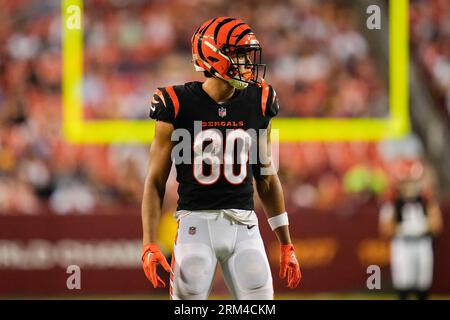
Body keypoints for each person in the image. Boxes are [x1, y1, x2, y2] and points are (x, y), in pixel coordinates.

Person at [140, 17, 301, 300]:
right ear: (215, 56)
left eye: (248, 54)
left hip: (244, 225)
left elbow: (266, 175)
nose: (248, 63)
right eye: (240, 54)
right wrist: (149, 242)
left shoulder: (260, 99)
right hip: (194, 226)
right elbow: (155, 181)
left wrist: (286, 243)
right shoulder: (176, 103)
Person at [379, 158, 443, 300]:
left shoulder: (427, 202)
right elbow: (386, 229)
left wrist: (422, 227)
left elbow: (436, 226)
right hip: (403, 245)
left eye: (412, 181)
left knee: (423, 282)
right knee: (403, 282)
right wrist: (404, 228)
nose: (410, 187)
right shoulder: (392, 204)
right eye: (406, 182)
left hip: (422, 244)